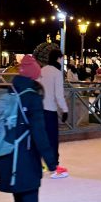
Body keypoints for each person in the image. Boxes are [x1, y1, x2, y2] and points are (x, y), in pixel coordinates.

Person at [0, 54, 57, 202]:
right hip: (25, 161)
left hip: (7, 159)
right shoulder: (32, 98)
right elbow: (39, 133)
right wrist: (52, 162)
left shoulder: (10, 93)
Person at [33, 42, 69, 179]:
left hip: (39, 109)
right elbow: (58, 94)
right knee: (52, 139)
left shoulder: (41, 71)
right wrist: (64, 110)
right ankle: (54, 166)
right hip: (50, 110)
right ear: (58, 58)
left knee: (40, 137)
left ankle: (40, 163)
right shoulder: (56, 73)